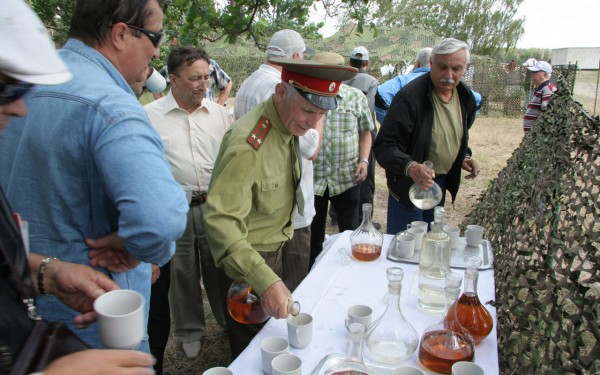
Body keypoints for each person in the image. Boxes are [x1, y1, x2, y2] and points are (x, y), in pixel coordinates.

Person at [0, 0, 188, 350]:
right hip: (97, 319)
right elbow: (159, 219)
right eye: (155, 37)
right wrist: (138, 248)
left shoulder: (28, 81)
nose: (157, 51)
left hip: (24, 310)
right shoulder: (113, 107)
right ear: (120, 34)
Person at [203, 57, 357, 357]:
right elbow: (221, 223)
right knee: (253, 346)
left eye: (322, 115)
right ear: (280, 92)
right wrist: (265, 281)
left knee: (276, 335)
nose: (313, 124)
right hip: (248, 261)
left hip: (278, 244)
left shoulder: (287, 124)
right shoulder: (248, 144)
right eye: (308, 111)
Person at [144, 46, 231, 362]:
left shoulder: (221, 115)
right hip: (175, 211)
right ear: (173, 78)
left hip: (214, 208)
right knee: (182, 273)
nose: (203, 84)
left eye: (207, 77)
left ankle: (226, 319)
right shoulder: (150, 118)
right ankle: (190, 332)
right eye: (195, 78)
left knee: (219, 267)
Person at [234, 29, 319, 292]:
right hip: (284, 207)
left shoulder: (249, 82)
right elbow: (311, 148)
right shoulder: (282, 88)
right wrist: (320, 110)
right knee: (288, 285)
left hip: (256, 202)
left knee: (255, 288)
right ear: (294, 56)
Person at [373, 38, 480, 235]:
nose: (449, 75)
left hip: (438, 184)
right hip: (409, 186)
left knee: (431, 240)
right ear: (431, 63)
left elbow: (456, 132)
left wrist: (464, 155)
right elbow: (384, 146)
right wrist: (412, 167)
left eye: (456, 69)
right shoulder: (409, 98)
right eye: (442, 67)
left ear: (465, 68)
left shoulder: (465, 97)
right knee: (406, 246)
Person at [309, 52, 374, 266]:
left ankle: (349, 278)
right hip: (313, 180)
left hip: (347, 179)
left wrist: (364, 160)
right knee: (312, 240)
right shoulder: (306, 96)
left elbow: (366, 131)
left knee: (349, 236)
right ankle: (312, 279)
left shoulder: (355, 97)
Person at [343, 46, 380, 226]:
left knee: (343, 167)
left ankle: (337, 212)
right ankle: (363, 219)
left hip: (343, 129)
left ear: (350, 62)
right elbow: (370, 108)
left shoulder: (342, 78)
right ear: (367, 63)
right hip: (364, 130)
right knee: (365, 173)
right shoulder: (372, 81)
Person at [375, 47, 433, 125]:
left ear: (418, 63)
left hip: (385, 105)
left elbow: (382, 92)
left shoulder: (405, 79)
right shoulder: (436, 80)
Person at [523, 60, 557, 133]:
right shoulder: (540, 89)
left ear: (544, 74)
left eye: (535, 72)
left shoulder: (547, 89)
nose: (532, 74)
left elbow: (548, 114)